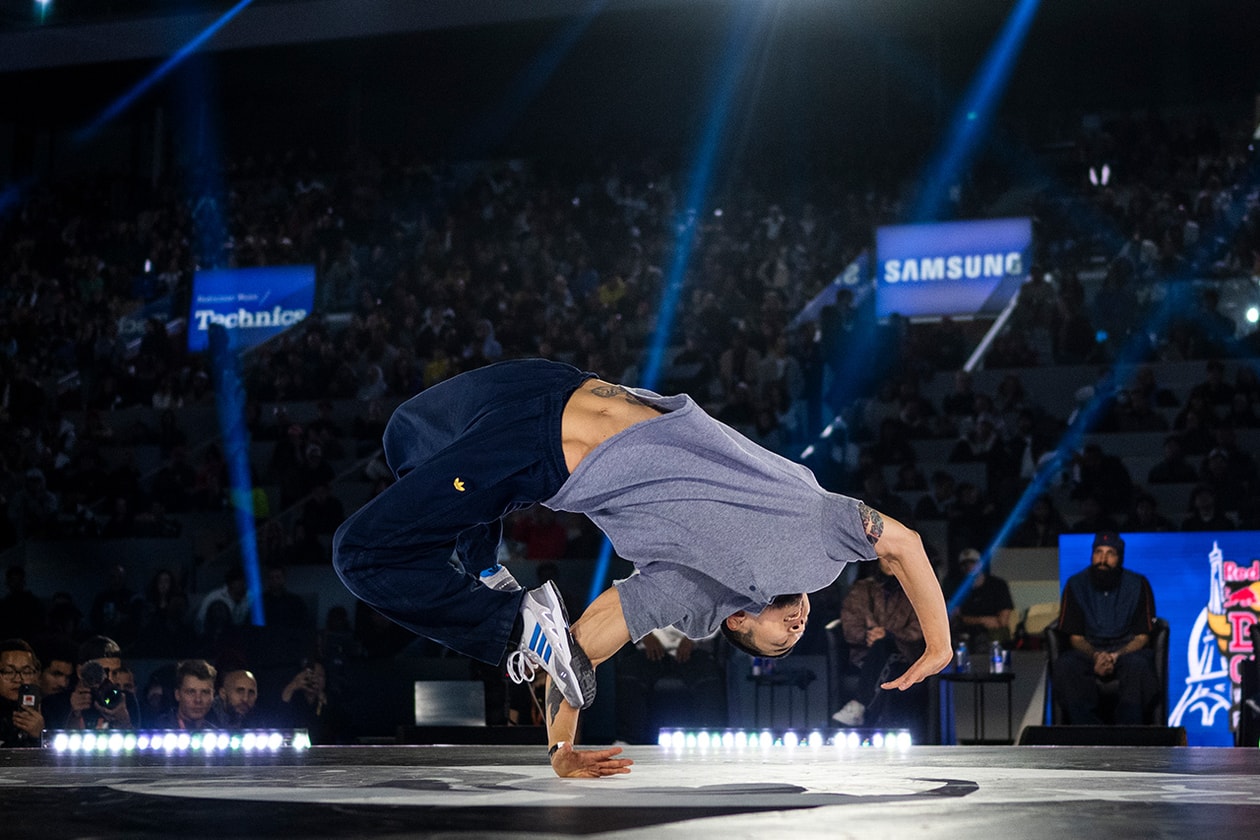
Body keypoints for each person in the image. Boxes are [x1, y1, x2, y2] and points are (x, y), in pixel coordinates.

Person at [332, 359, 951, 778]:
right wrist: (939, 645)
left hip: (535, 444)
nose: (796, 626)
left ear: (735, 623)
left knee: (378, 505)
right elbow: (903, 544)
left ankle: (499, 598)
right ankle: (498, 593)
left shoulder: (679, 588)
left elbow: (578, 650)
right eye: (795, 633)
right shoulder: (816, 546)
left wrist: (559, 750)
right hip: (551, 387)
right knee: (393, 473)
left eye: (780, 638)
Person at [1052, 532, 1158, 725]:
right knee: (1066, 666)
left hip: (1127, 651)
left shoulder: (1138, 584)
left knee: (1139, 666)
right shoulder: (1075, 584)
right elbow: (1076, 638)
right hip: (1087, 650)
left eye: (1110, 553)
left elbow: (1142, 637)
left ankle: (1128, 736)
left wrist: (1114, 656)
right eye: (1098, 552)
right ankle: (1088, 734)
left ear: (1120, 558)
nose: (1103, 559)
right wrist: (1096, 656)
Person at [829, 559, 926, 727]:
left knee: (886, 647)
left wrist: (890, 635)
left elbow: (921, 628)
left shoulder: (915, 591)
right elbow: (850, 626)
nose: (890, 561)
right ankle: (876, 720)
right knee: (881, 648)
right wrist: (869, 635)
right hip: (865, 653)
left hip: (904, 653)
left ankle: (860, 706)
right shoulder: (862, 590)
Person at [42, 635, 140, 730]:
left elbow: (141, 743)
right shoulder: (54, 704)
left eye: (114, 673)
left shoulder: (127, 700)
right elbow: (52, 744)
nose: (109, 679)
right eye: (102, 671)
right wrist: (74, 715)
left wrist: (123, 723)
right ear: (80, 671)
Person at [951, 549, 1015, 647]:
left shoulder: (998, 585)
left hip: (994, 635)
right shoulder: (957, 588)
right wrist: (983, 620)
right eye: (965, 564)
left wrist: (969, 619)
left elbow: (1002, 622)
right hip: (966, 634)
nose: (969, 567)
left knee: (991, 640)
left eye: (973, 563)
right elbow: (956, 617)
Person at [0, 639, 44, 747]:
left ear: (36, 676)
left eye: (26, 672)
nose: (18, 679)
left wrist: (39, 736)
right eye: (9, 672)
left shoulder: (49, 710)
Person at [152, 659, 218, 730]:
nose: (198, 700)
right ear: (177, 694)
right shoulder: (156, 729)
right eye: (191, 692)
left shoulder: (217, 734)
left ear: (213, 695)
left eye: (205, 692)